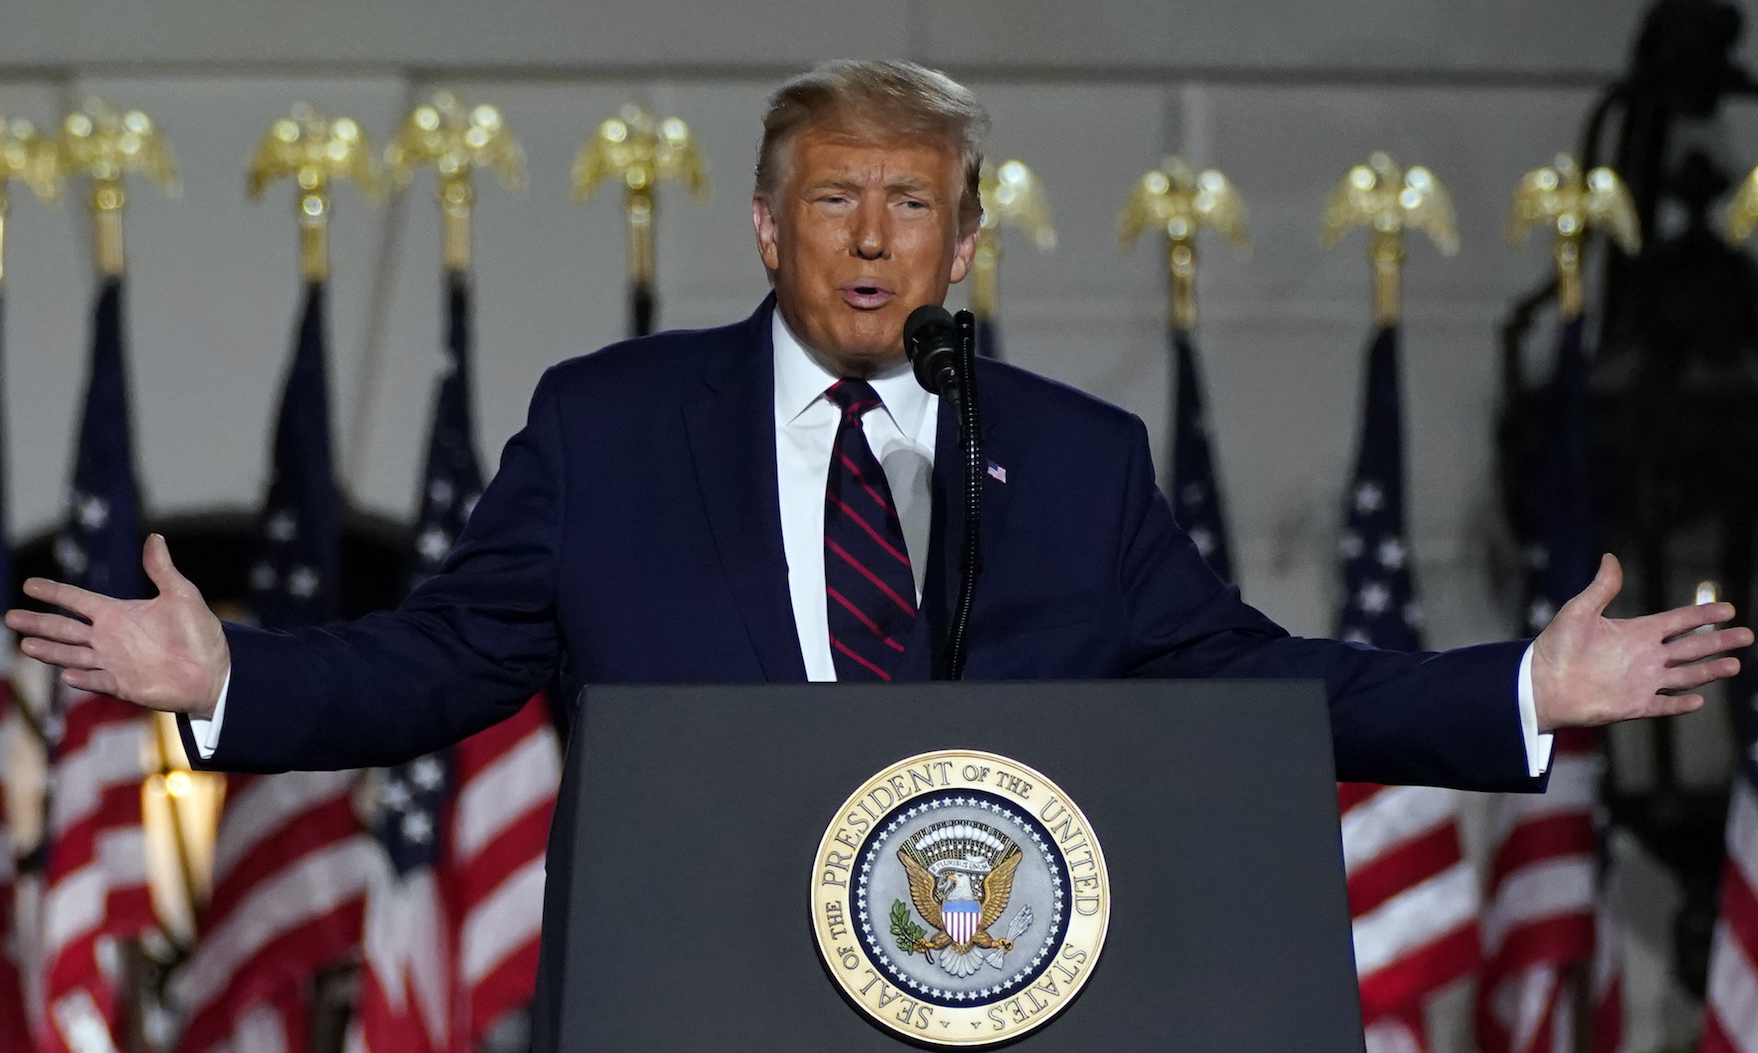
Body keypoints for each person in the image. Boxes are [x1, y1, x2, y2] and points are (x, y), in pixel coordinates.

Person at [5, 60, 1748, 792]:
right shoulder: (610, 431)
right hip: (688, 985)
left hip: (991, 981)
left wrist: (1520, 687)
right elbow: (446, 658)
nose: (866, 236)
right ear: (763, 227)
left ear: (963, 239)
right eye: (831, 199)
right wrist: (230, 675)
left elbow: (1240, 674)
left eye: (909, 205)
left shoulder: (1068, 458)